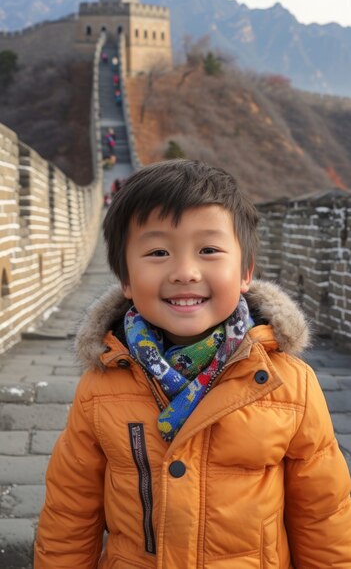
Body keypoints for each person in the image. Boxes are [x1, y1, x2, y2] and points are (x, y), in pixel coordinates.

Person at [34, 160, 351, 568]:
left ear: (245, 271)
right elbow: (70, 511)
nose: (185, 272)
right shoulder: (102, 386)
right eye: (158, 252)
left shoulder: (288, 385)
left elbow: (324, 515)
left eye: (209, 250)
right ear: (126, 280)